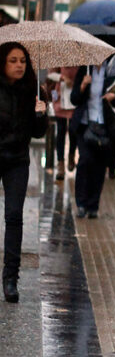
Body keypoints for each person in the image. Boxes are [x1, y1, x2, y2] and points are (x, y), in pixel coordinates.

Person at [0, 42, 47, 302]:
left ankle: (10, 279)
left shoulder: (33, 91)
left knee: (14, 215)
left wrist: (41, 114)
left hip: (18, 160)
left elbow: (39, 133)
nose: (19, 65)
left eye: (23, 61)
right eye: (13, 60)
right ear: (3, 63)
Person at [70, 61, 115, 218]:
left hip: (106, 126)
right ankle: (81, 204)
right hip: (85, 125)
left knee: (99, 166)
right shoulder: (85, 69)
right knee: (85, 161)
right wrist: (83, 85)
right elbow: (74, 99)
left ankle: (93, 206)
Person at [48, 66, 78, 180]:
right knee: (60, 131)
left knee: (73, 130)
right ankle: (60, 163)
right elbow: (50, 74)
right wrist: (62, 77)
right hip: (60, 97)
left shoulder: (80, 58)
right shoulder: (60, 56)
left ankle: (71, 155)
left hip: (74, 98)